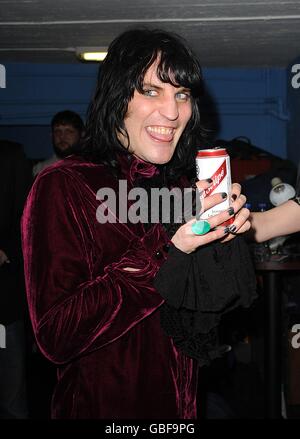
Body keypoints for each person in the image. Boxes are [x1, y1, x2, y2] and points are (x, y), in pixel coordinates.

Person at [21, 28, 256, 419]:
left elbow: (201, 318)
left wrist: (220, 241)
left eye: (181, 94)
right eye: (151, 91)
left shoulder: (181, 185)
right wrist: (169, 249)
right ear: (116, 98)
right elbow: (55, 336)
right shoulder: (65, 184)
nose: (171, 111)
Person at [0, 140, 32, 418]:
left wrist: (6, 251)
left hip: (4, 302)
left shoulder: (10, 157)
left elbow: (28, 219)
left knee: (10, 389)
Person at [32, 110, 85, 176]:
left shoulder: (91, 167)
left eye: (68, 131)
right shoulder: (42, 170)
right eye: (57, 131)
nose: (62, 136)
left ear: (82, 134)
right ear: (52, 135)